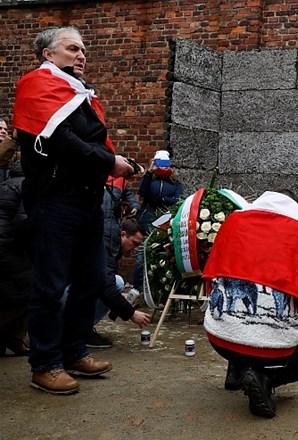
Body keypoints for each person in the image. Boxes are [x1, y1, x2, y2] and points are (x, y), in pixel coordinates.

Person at [12, 27, 137, 395]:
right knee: (50, 285)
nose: (81, 55)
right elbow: (61, 141)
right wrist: (108, 161)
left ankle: (74, 350)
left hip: (86, 199)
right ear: (48, 54)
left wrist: (117, 161)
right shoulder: (37, 84)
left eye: (83, 49)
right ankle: (46, 364)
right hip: (54, 199)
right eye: (72, 49)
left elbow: (91, 142)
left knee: (91, 279)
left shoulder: (79, 95)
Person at [202, 190, 298, 418]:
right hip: (275, 349)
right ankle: (263, 379)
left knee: (238, 314)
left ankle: (236, 371)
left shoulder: (234, 221)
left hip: (218, 337)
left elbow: (213, 268)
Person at [87, 219, 151, 348]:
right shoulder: (106, 246)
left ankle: (82, 329)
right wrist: (131, 313)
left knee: (117, 284)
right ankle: (76, 330)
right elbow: (105, 286)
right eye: (134, 243)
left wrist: (119, 296)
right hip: (64, 291)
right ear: (123, 235)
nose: (136, 249)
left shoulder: (112, 246)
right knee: (115, 284)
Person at [133, 150, 183, 289]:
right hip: (146, 221)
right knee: (141, 256)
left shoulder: (175, 183)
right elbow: (142, 192)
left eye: (166, 163)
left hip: (165, 222)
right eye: (161, 163)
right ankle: (138, 288)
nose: (164, 167)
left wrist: (161, 199)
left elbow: (178, 199)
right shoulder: (150, 179)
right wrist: (149, 172)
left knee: (163, 257)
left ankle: (160, 290)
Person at [0, 160, 31, 356]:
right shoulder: (27, 186)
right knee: (32, 289)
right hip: (7, 248)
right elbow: (24, 222)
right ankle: (13, 336)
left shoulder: (5, 184)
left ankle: (13, 338)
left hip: (7, 247)